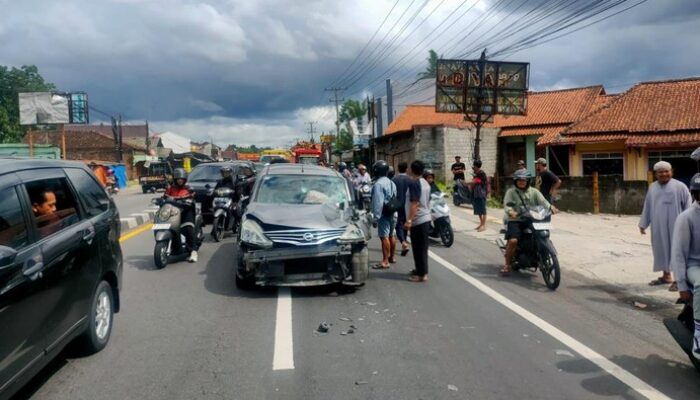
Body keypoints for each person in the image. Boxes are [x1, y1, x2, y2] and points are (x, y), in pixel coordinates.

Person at [639, 161, 692, 291]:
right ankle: (666, 276)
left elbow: (689, 206)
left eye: (666, 171)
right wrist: (643, 223)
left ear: (671, 172)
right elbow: (648, 206)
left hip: (678, 226)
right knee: (661, 249)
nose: (664, 174)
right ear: (655, 174)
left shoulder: (680, 186)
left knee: (678, 252)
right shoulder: (652, 187)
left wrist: (690, 224)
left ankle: (679, 280)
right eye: (660, 172)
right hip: (658, 225)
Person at [502, 169, 559, 276]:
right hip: (516, 220)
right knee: (513, 241)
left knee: (542, 234)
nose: (521, 182)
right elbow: (507, 205)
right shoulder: (511, 192)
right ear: (515, 181)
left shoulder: (534, 192)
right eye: (519, 180)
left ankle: (541, 254)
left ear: (528, 181)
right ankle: (507, 264)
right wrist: (511, 212)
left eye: (524, 180)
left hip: (532, 219)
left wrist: (551, 208)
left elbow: (543, 202)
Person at [670, 172, 700, 360]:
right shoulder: (686, 217)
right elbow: (678, 253)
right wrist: (681, 284)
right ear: (695, 195)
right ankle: (698, 337)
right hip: (694, 266)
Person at [405, 160, 432, 283]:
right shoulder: (425, 182)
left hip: (419, 219)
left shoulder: (415, 183)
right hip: (424, 218)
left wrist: (409, 220)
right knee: (420, 247)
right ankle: (420, 269)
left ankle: (422, 275)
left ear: (413, 170)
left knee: (419, 248)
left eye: (410, 167)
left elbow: (415, 203)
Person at [165, 168, 199, 263]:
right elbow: (165, 197)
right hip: (172, 213)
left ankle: (193, 251)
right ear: (175, 179)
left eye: (182, 178)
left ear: (185, 179)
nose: (180, 180)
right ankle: (174, 247)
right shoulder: (170, 188)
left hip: (185, 213)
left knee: (188, 229)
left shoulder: (188, 188)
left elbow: (193, 196)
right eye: (178, 178)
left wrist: (190, 198)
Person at [370, 160, 397, 269]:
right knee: (391, 235)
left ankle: (385, 261)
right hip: (393, 212)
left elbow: (378, 202)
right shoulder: (391, 182)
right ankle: (392, 257)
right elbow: (395, 196)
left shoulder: (378, 184)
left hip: (383, 214)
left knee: (384, 237)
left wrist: (375, 218)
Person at [393, 162, 412, 257]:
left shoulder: (394, 179)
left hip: (397, 205)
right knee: (404, 223)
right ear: (406, 169)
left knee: (398, 225)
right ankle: (404, 242)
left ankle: (403, 242)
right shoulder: (410, 179)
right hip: (408, 205)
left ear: (398, 169)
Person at [470, 160, 488, 232]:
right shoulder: (476, 173)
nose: (473, 167)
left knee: (483, 210)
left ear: (477, 166)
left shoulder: (481, 173)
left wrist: (466, 183)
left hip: (481, 193)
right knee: (478, 209)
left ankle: (483, 225)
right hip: (476, 193)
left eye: (474, 166)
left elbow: (475, 182)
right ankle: (481, 223)